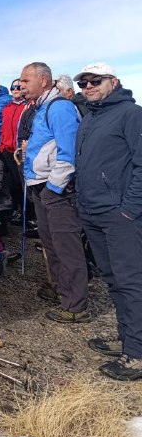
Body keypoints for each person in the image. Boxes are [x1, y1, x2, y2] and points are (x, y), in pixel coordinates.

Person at [74, 62, 142, 380]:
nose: (88, 86)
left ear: (112, 81)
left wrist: (129, 209)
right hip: (92, 211)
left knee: (130, 282)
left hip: (120, 216)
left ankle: (137, 354)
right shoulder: (90, 117)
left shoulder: (131, 113)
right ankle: (128, 339)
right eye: (83, 82)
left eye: (94, 81)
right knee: (113, 280)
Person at [21, 61, 89, 323]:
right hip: (41, 185)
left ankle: (75, 306)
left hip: (56, 189)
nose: (21, 85)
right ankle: (62, 289)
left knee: (66, 246)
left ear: (44, 81)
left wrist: (54, 187)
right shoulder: (42, 108)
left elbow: (68, 152)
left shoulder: (59, 108)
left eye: (26, 81)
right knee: (51, 243)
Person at [0, 79, 27, 224]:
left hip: (21, 151)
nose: (15, 89)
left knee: (22, 182)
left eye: (18, 87)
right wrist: (2, 145)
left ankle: (27, 213)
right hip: (7, 150)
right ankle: (16, 209)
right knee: (12, 183)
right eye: (13, 87)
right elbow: (3, 128)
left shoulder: (27, 107)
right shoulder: (7, 108)